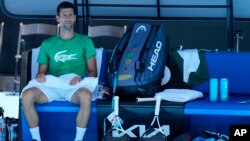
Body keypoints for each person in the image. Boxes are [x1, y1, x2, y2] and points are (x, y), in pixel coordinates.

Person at [21, 1, 97, 141]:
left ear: (74, 17)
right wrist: (40, 76)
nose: (67, 18)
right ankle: (36, 139)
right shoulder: (48, 44)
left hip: (74, 86)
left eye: (70, 15)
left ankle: (78, 140)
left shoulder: (85, 41)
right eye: (64, 15)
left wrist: (81, 78)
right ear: (58, 18)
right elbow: (41, 72)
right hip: (53, 85)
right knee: (26, 95)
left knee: (86, 95)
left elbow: (93, 71)